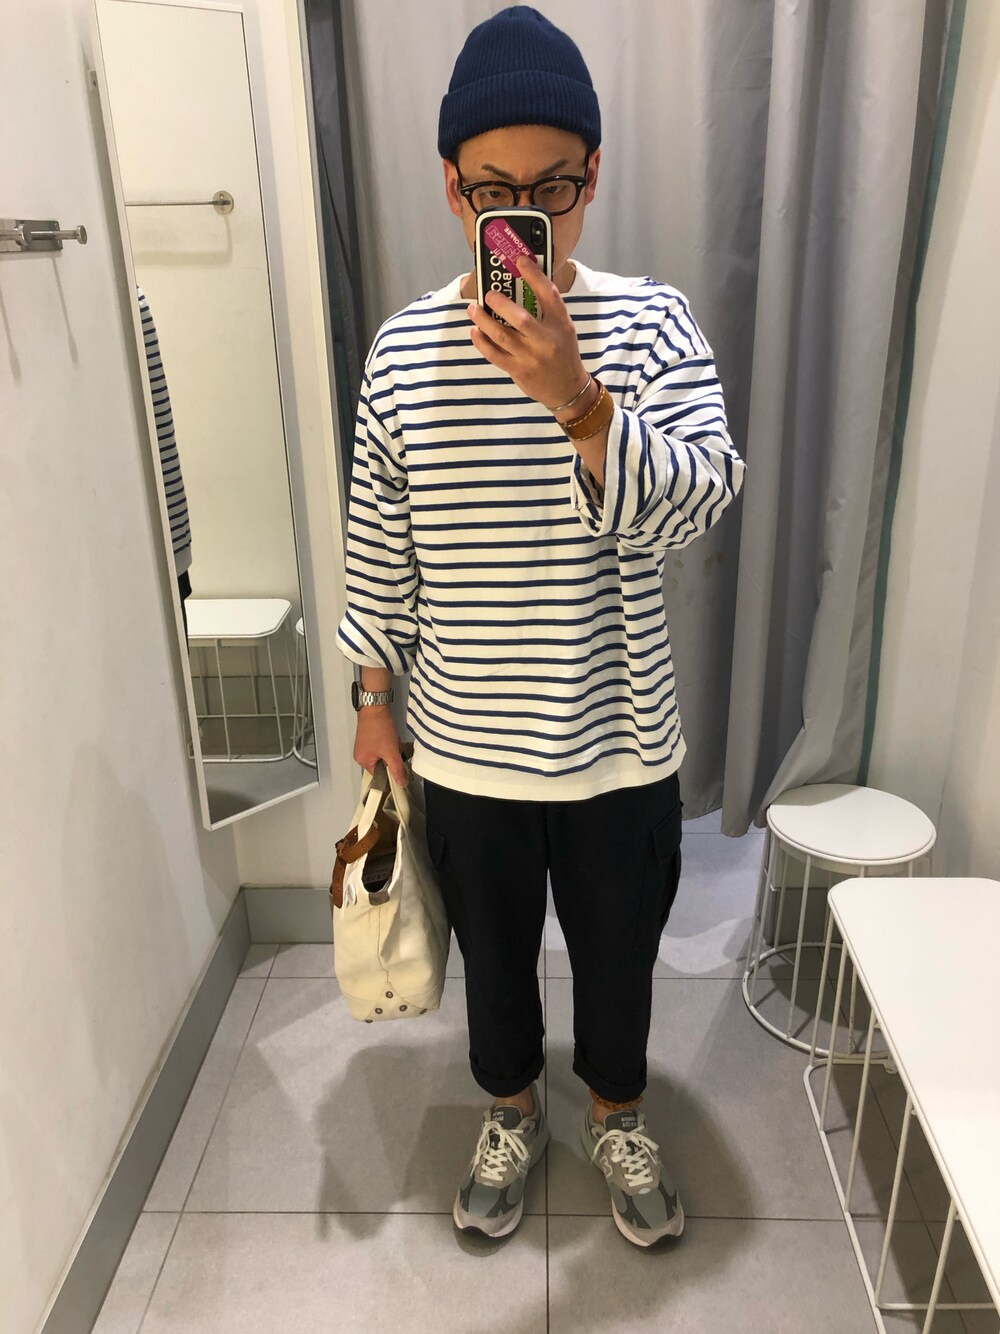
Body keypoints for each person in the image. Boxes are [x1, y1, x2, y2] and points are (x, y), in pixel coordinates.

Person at [336, 5, 746, 1248]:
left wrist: (580, 402)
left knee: (618, 959)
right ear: (451, 187)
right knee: (497, 963)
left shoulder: (654, 324)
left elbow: (702, 502)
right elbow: (380, 546)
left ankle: (616, 1110)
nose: (526, 214)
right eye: (494, 191)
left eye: (553, 187)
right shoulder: (404, 351)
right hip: (467, 746)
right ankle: (509, 1108)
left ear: (593, 176)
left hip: (619, 740)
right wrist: (372, 700)